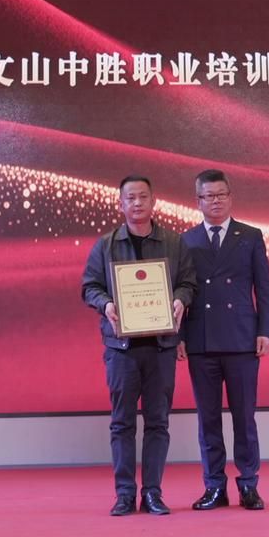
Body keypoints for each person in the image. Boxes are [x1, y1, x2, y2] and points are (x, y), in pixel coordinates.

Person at [80, 175, 196, 516]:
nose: (137, 203)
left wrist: (181, 298)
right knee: (122, 423)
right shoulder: (105, 245)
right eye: (130, 198)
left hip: (161, 347)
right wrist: (106, 304)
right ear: (120, 204)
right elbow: (89, 287)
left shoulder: (174, 243)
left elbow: (188, 282)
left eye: (143, 196)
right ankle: (125, 494)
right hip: (121, 349)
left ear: (153, 201)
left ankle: (153, 494)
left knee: (158, 423)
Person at [176, 169, 269, 511]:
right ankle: (214, 486)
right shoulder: (186, 240)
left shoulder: (250, 236)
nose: (215, 201)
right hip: (201, 340)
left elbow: (263, 289)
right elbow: (181, 292)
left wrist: (265, 331)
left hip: (242, 339)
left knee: (244, 417)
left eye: (221, 195)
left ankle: (249, 484)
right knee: (208, 420)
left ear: (230, 197)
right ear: (198, 201)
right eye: (209, 196)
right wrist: (180, 336)